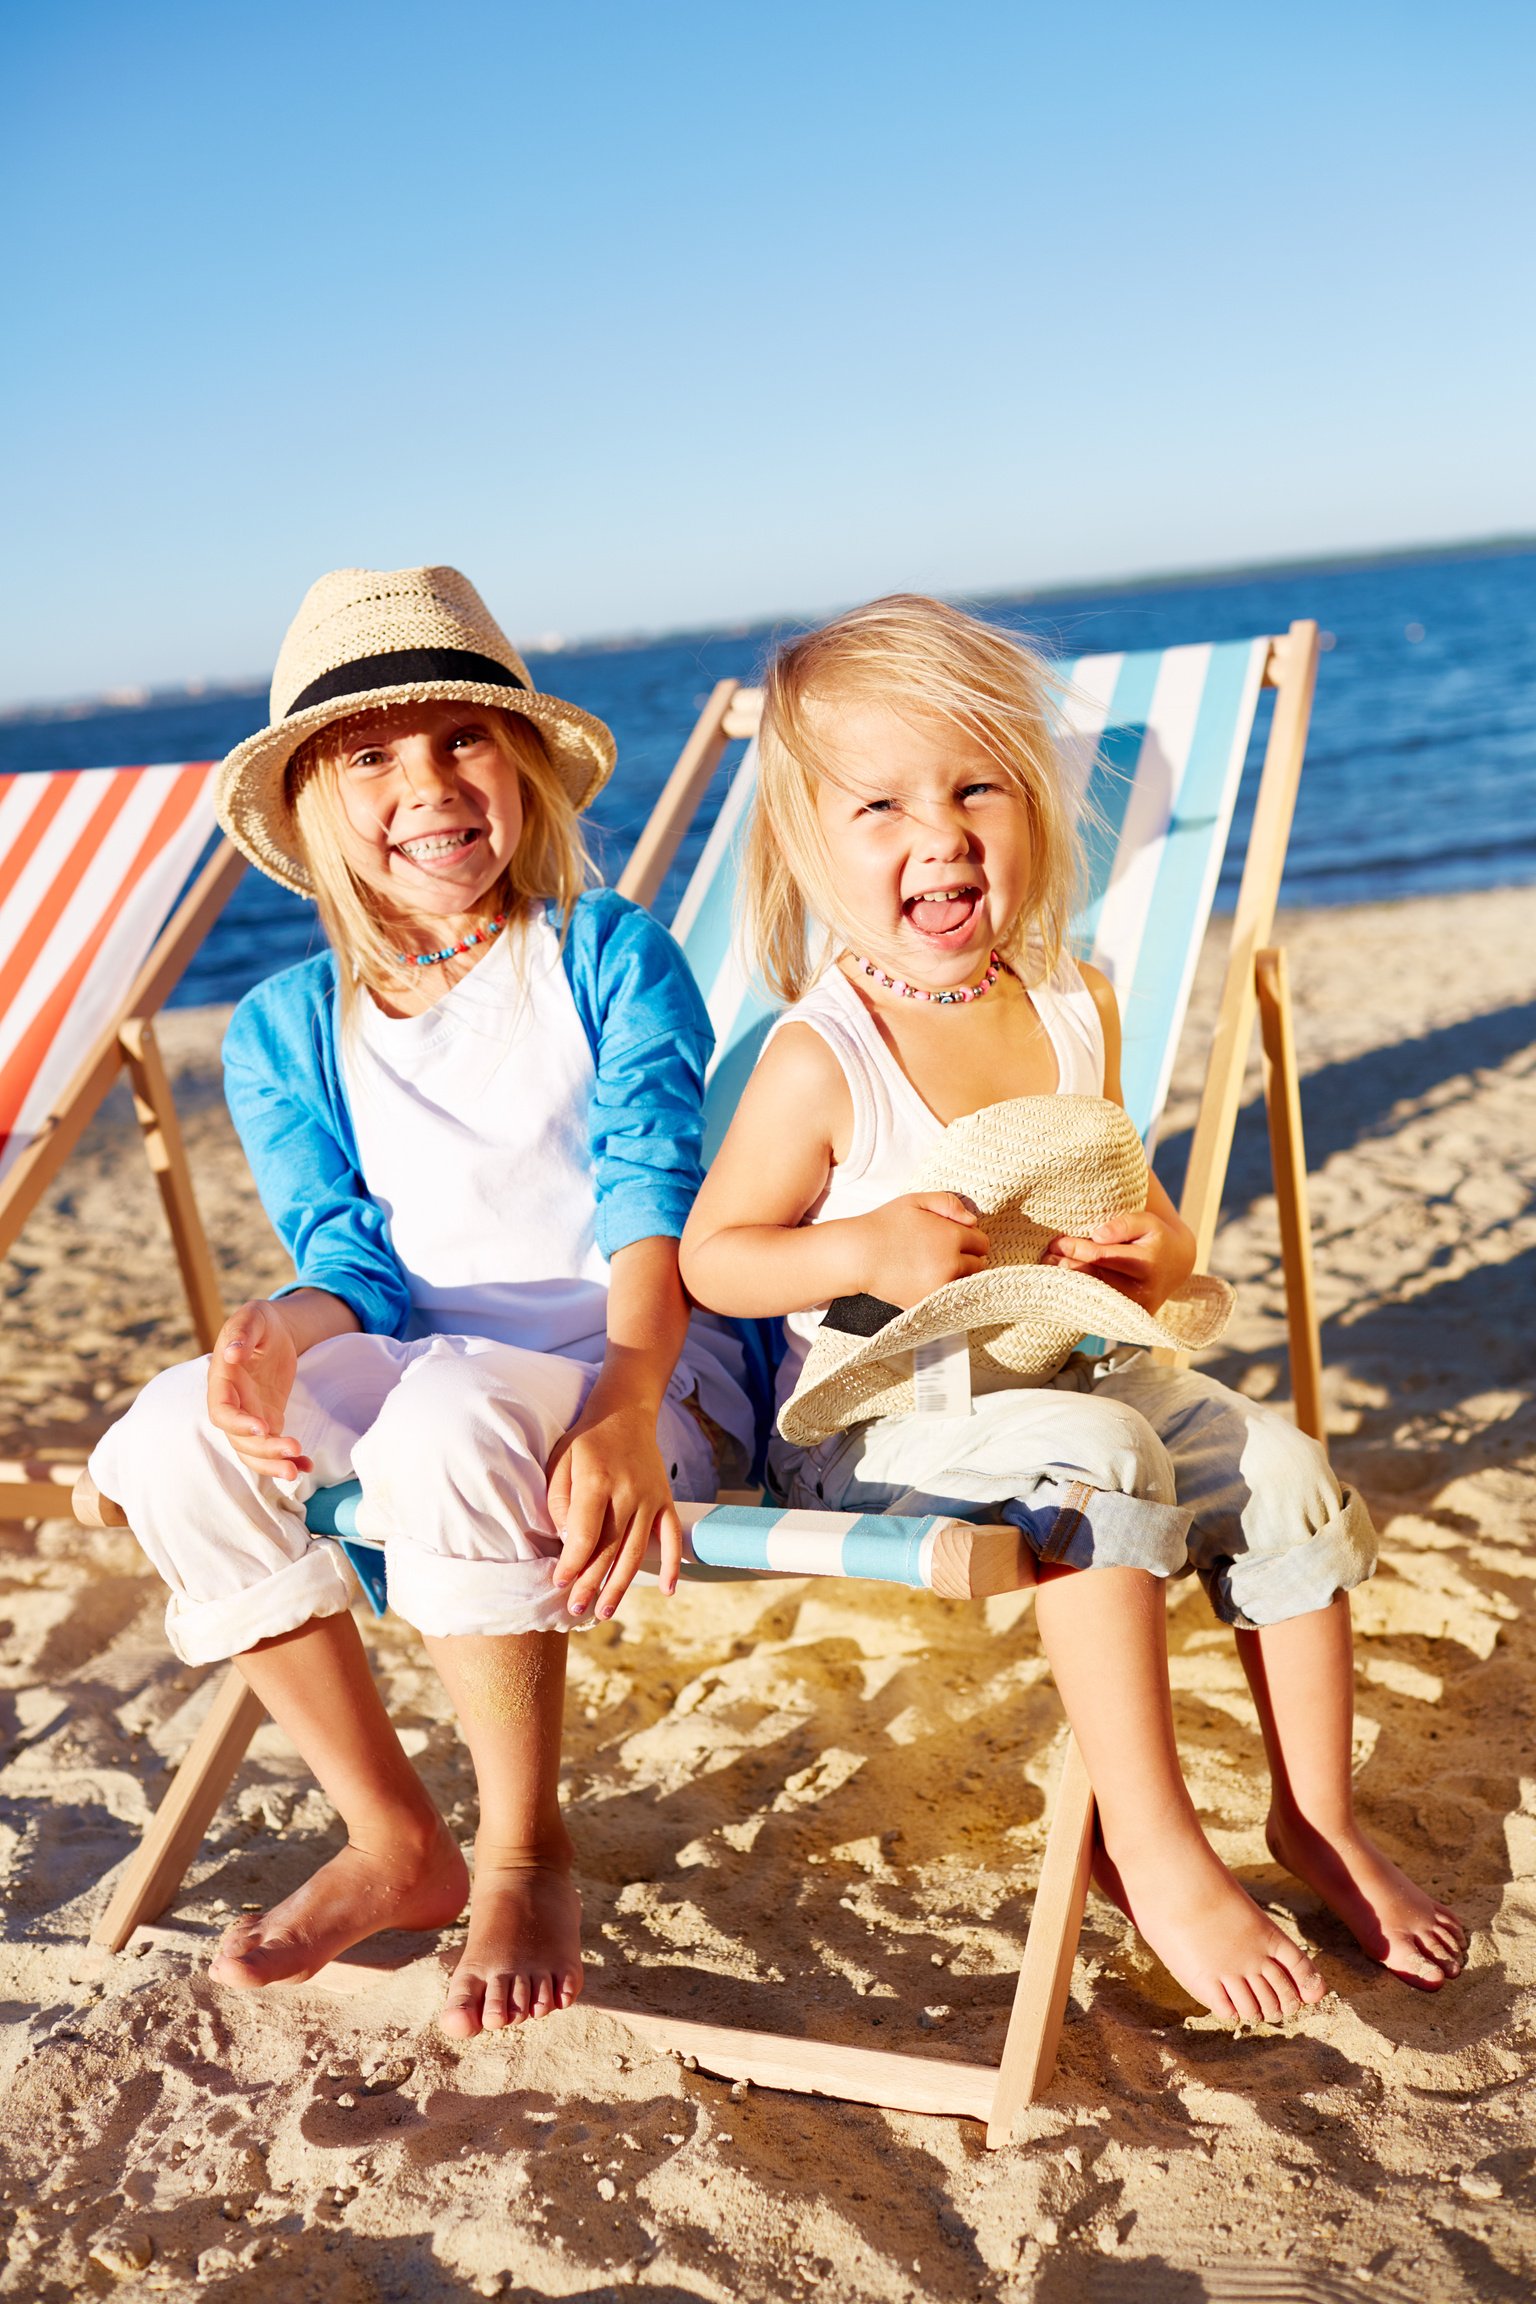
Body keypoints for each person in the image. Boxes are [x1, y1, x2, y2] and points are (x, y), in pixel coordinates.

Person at [680, 593, 1466, 2023]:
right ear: (805, 846)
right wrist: (858, 1244)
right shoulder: (822, 1059)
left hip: (1071, 1362)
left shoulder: (1072, 1004)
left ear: (1034, 805)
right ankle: (1153, 1843)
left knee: (1282, 1466)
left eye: (978, 784)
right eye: (882, 806)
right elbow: (715, 1260)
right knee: (1108, 1463)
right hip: (878, 1423)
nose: (943, 833)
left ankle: (1317, 1818)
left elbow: (1141, 1208)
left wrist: (1145, 1258)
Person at [90, 565, 752, 2034]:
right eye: (373, 756)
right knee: (164, 1436)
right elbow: (354, 1265)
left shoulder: (602, 955)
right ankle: (396, 1836)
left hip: (632, 1374)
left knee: (449, 1416)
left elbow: (654, 1198)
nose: (428, 784)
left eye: (462, 739)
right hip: (427, 1364)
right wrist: (284, 1331)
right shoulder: (283, 1026)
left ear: (519, 766)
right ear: (320, 804)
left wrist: (634, 1404)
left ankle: (526, 1844)